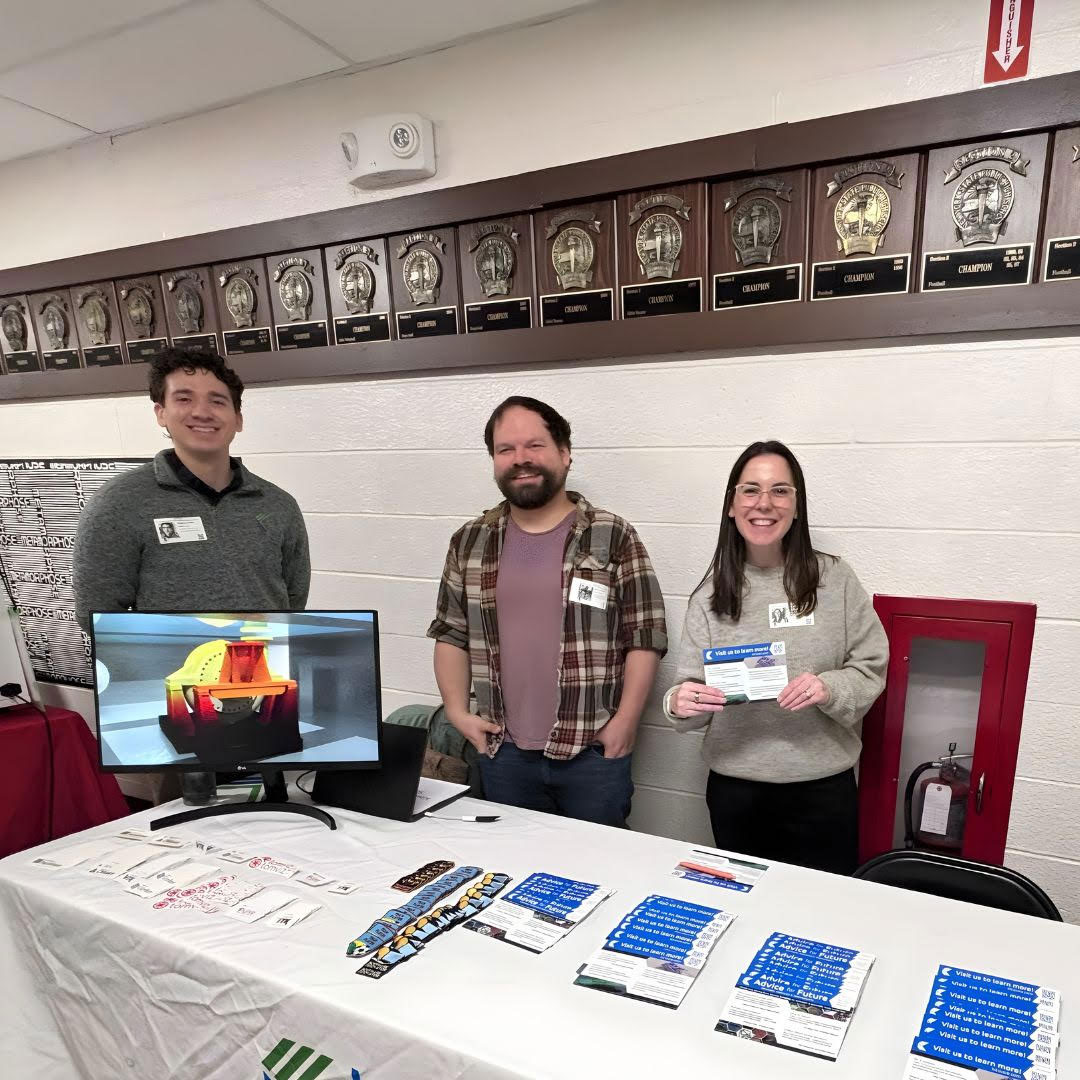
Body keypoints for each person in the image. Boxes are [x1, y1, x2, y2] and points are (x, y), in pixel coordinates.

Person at [427, 395, 667, 827]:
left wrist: (626, 721)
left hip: (591, 752)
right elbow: (451, 634)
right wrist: (458, 713)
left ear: (565, 453)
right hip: (505, 754)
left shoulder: (612, 536)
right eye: (506, 449)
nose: (521, 459)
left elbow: (645, 635)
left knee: (602, 868)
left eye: (534, 445)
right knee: (516, 873)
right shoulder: (470, 542)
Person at [663, 440, 887, 875]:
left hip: (823, 790)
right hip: (736, 793)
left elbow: (871, 665)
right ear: (731, 505)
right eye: (750, 490)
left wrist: (829, 687)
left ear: (797, 506)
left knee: (821, 918)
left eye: (780, 490)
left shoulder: (834, 579)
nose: (764, 503)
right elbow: (687, 694)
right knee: (746, 913)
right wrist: (678, 703)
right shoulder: (709, 596)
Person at [73, 348, 310, 631]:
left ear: (238, 418)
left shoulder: (277, 505)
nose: (202, 412)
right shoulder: (118, 504)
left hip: (260, 665)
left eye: (218, 401)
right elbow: (97, 613)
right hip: (170, 671)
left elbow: (293, 601)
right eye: (184, 399)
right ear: (161, 412)